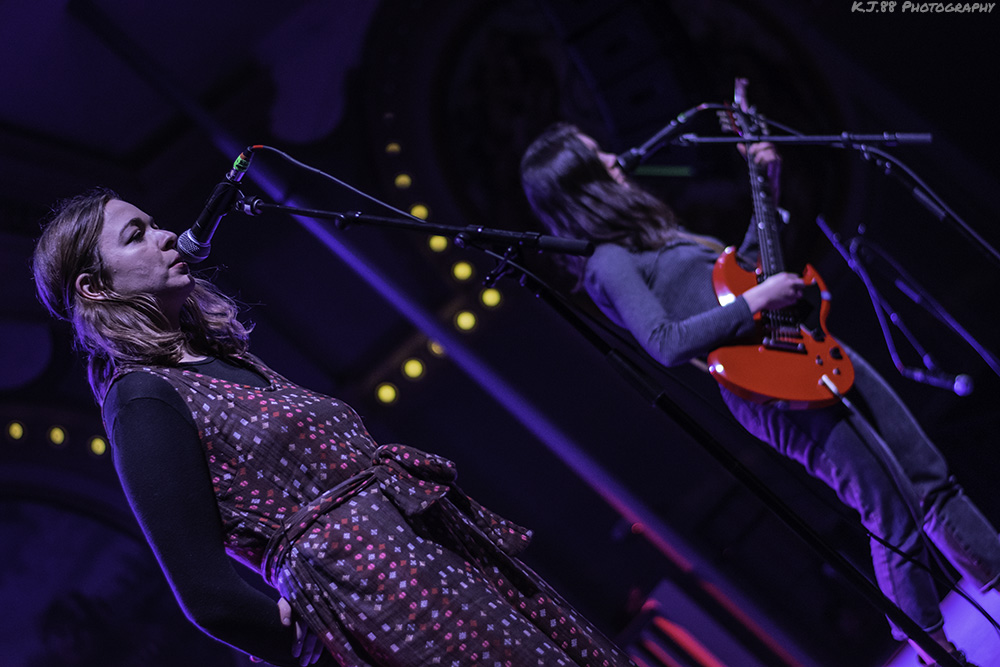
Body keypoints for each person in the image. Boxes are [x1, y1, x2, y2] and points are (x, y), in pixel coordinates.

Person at [31, 187, 637, 667]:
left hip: (433, 558)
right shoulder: (141, 398)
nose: (165, 235)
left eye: (153, 222)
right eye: (137, 235)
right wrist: (316, 644)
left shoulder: (218, 358)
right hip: (378, 596)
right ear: (95, 286)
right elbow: (203, 589)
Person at [519, 122, 1000, 666]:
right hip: (766, 389)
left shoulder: (653, 235)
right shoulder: (608, 261)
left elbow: (747, 271)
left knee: (929, 475)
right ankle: (937, 648)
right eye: (595, 155)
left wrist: (766, 190)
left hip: (808, 348)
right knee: (885, 502)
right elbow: (664, 342)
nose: (612, 156)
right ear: (581, 184)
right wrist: (758, 301)